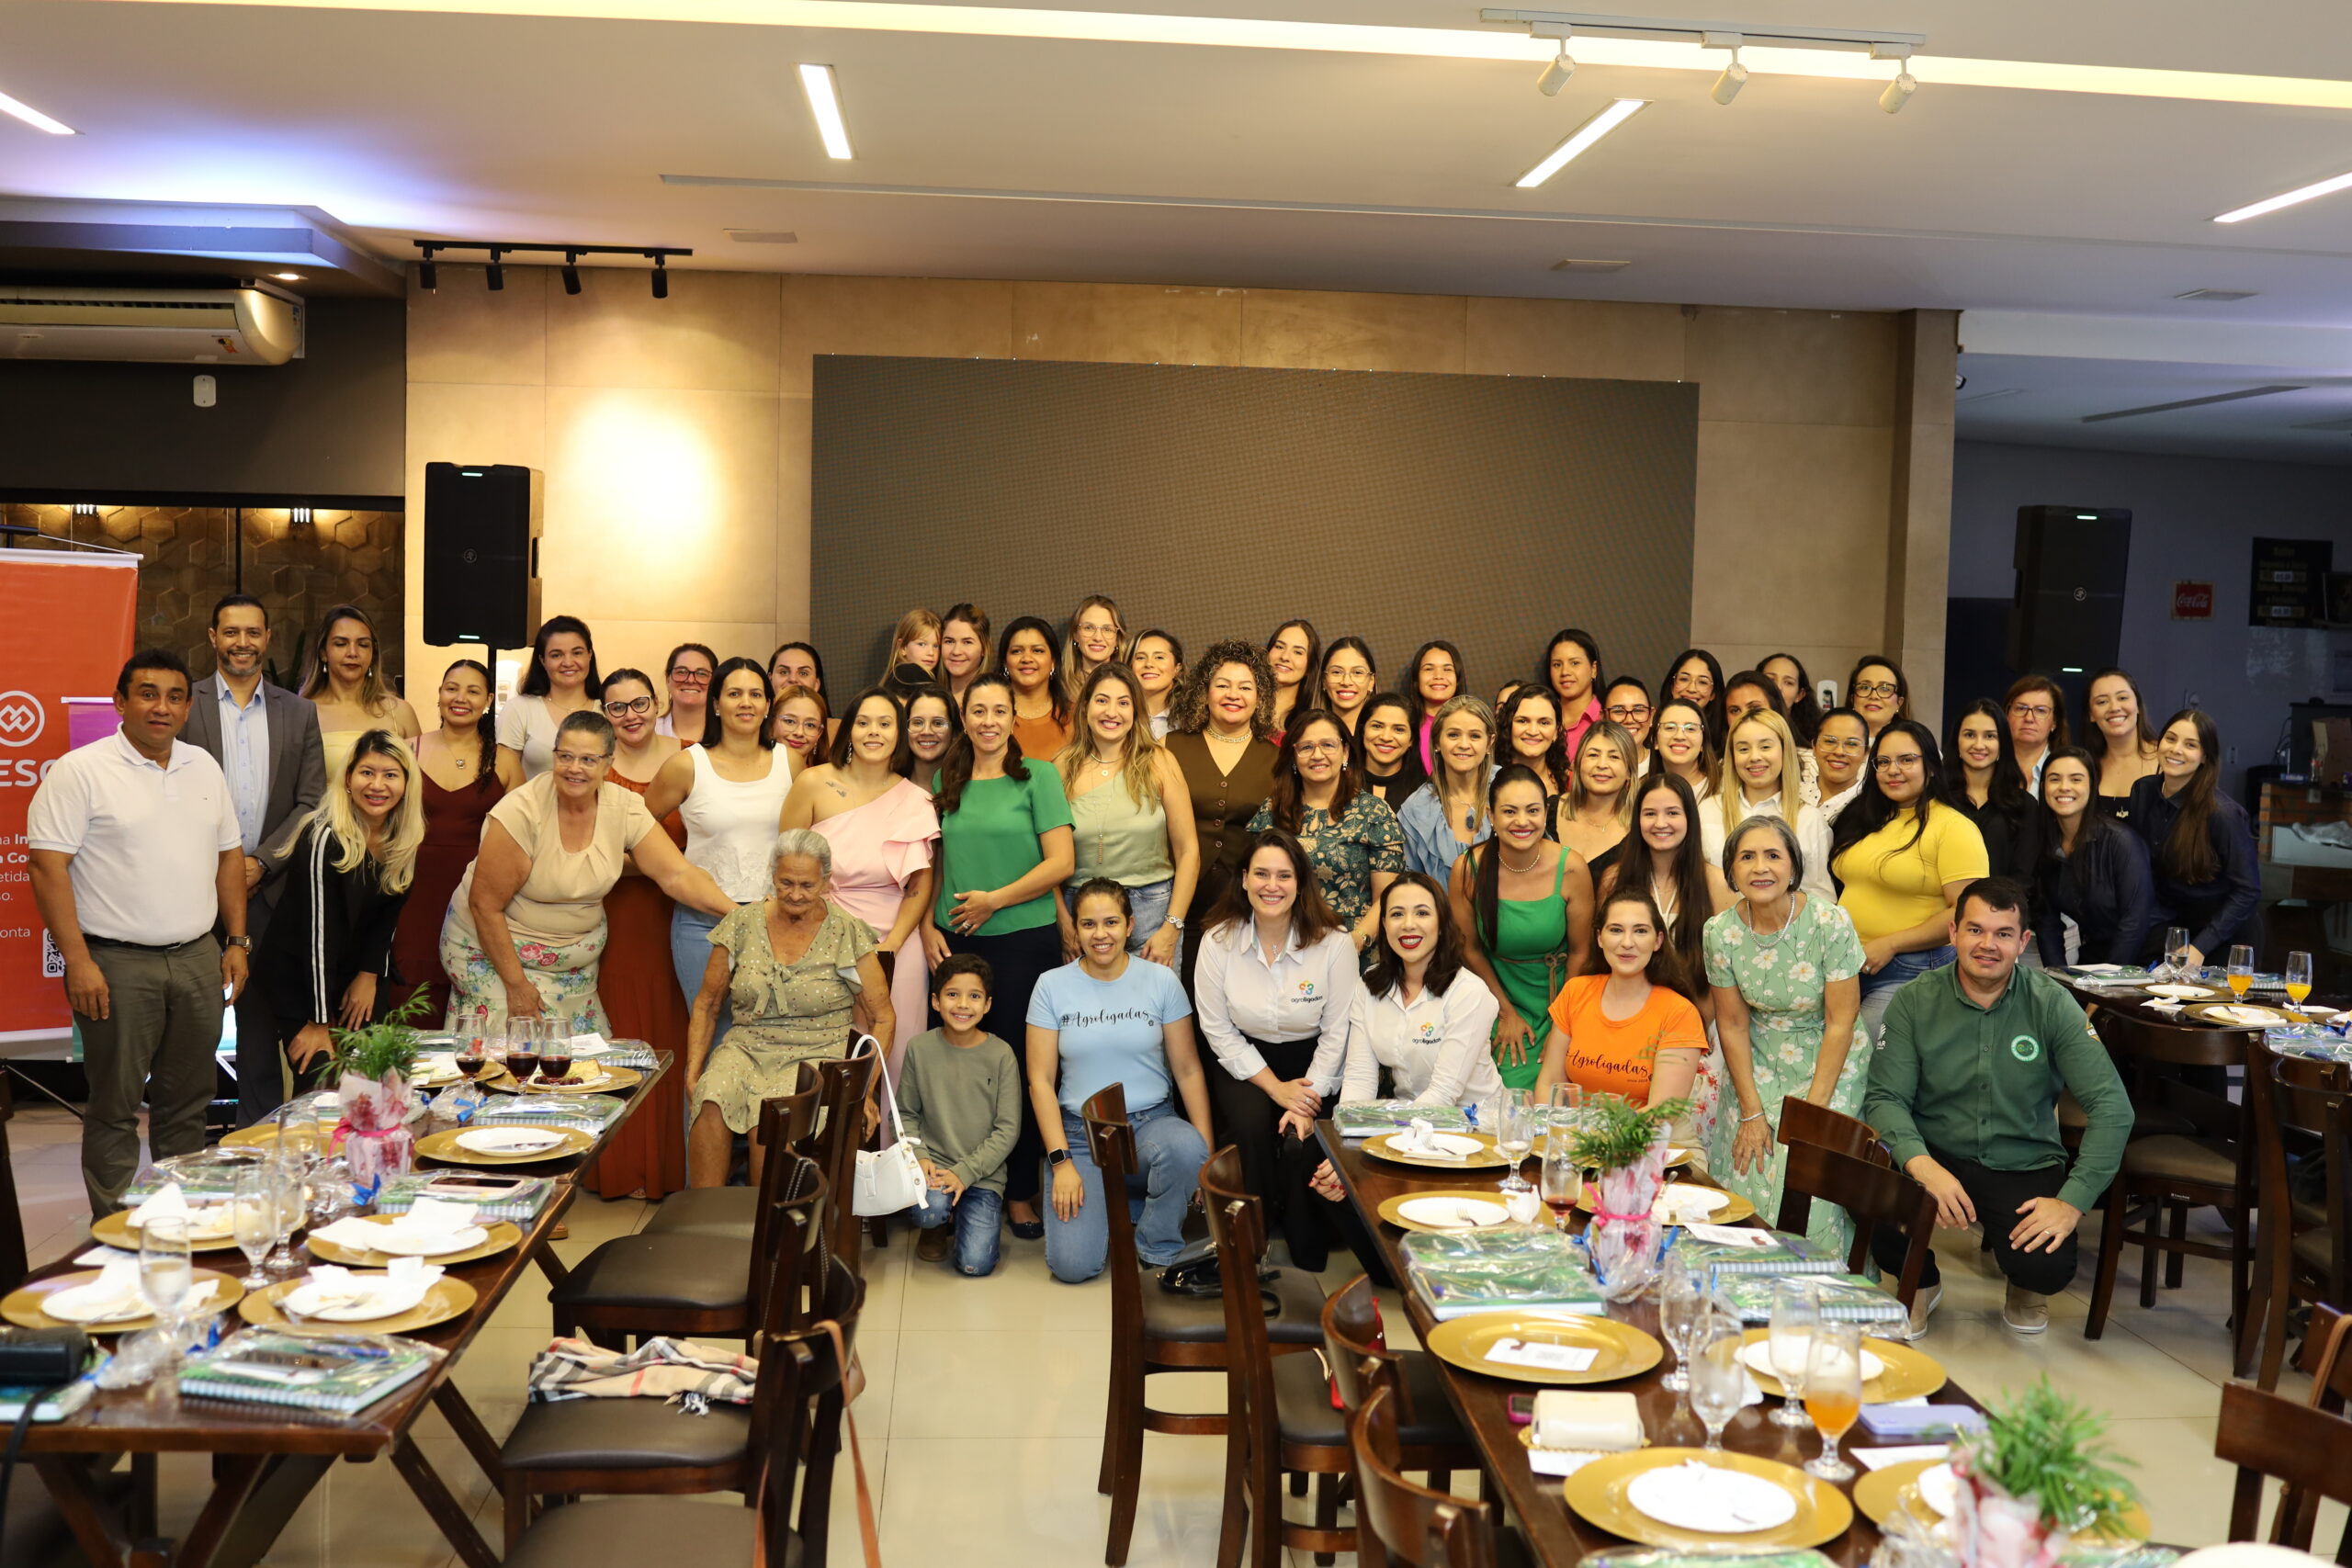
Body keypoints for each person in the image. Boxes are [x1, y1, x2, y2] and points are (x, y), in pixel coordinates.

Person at [28, 650, 249, 1213]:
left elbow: (229, 857)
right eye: (148, 694)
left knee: (187, 1104)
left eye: (175, 696)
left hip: (198, 958)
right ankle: (116, 1231)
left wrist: (237, 940)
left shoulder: (203, 767)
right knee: (115, 1106)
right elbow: (47, 867)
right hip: (116, 965)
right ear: (120, 702)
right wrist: (77, 961)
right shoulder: (81, 771)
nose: (162, 707)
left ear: (188, 706)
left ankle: (182, 1221)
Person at [1865, 877, 2132, 1337]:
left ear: (2023, 941)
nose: (1987, 945)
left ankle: (2025, 1286)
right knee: (1866, 1185)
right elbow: (1885, 1098)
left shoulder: (2052, 1003)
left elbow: (2112, 1108)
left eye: (2003, 934)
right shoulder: (1914, 1000)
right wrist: (1922, 1164)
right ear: (1953, 933)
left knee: (2046, 1269)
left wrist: (2072, 1203)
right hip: (1936, 1150)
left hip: (2020, 1158)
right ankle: (1919, 1283)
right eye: (1975, 930)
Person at [442, 711, 732, 1032]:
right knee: (517, 1049)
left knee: (582, 1060)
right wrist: (516, 986)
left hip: (572, 963)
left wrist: (739, 915)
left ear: (608, 764)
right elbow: (484, 905)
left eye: (588, 759)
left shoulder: (625, 807)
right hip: (493, 952)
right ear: (553, 756)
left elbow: (678, 875)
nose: (575, 768)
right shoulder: (520, 812)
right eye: (565, 756)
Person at [923, 672, 1075, 1234]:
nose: (988, 721)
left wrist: (996, 901)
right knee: (959, 1068)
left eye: (999, 711)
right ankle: (954, 1184)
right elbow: (936, 865)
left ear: (1015, 718)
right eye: (977, 711)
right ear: (965, 719)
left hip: (1022, 940)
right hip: (957, 941)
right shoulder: (948, 777)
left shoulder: (1039, 776)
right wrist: (925, 925)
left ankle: (1018, 1190)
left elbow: (1060, 862)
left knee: (1020, 1067)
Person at [186, 593, 329, 1126]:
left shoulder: (299, 711)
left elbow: (311, 801)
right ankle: (218, 1134)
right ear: (212, 637)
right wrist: (224, 868)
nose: (241, 643)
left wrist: (263, 863)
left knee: (264, 1017)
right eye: (230, 632)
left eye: (252, 633)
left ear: (267, 639)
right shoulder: (187, 703)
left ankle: (274, 1135)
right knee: (202, 1021)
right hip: (198, 890)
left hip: (275, 887)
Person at [684, 829, 893, 1189]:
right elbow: (707, 1003)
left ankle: (767, 1235)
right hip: (746, 1047)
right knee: (711, 1101)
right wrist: (693, 1071)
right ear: (772, 874)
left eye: (807, 885)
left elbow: (883, 1016)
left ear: (826, 881)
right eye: (786, 882)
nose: (796, 894)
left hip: (815, 1052)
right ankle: (707, 1225)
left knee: (771, 1119)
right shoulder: (740, 924)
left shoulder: (846, 932)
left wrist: (866, 1089)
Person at [1030, 879, 1216, 1282]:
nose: (1101, 935)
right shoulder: (1051, 985)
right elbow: (1040, 1081)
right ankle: (1124, 1200)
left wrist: (1207, 1156)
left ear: (1130, 925)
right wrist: (1061, 1162)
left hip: (1151, 1124)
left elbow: (1188, 1070)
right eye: (1089, 924)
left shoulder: (1161, 980)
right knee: (1073, 1267)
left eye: (1111, 922)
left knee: (1185, 1147)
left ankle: (1155, 1241)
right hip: (1082, 1134)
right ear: (1074, 930)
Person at [1192, 832, 1357, 1265]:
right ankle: (1253, 1238)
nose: (1272, 885)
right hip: (1244, 1060)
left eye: (1284, 875)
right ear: (1243, 879)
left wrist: (1302, 1101)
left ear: (1301, 884)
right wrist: (1275, 1089)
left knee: (1302, 1136)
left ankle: (1305, 1243)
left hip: (1314, 1061)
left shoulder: (1334, 943)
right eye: (1261, 873)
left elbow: (1338, 1032)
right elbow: (1217, 1028)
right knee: (1248, 1123)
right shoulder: (1217, 941)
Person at [1706, 816, 1867, 1251]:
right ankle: (1744, 1276)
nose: (1761, 867)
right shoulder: (1719, 933)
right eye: (1747, 857)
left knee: (1808, 1174)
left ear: (1793, 868)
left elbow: (1841, 1023)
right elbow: (1734, 1025)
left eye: (1773, 855)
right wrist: (1752, 1111)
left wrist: (1811, 1117)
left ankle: (1819, 1283)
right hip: (1758, 1053)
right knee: (1749, 1160)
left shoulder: (1829, 923)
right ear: (1732, 872)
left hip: (1830, 1053)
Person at [244, 730, 423, 1107]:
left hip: (356, 972)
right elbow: (317, 934)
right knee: (324, 1087)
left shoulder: (402, 835)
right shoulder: (322, 835)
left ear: (407, 784)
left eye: (391, 775)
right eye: (366, 773)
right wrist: (319, 1022)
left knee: (375, 1084)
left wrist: (370, 975)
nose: (377, 785)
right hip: (302, 980)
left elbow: (387, 917)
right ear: (348, 778)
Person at [785, 688, 940, 1073]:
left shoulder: (916, 800)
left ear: (899, 733)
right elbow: (786, 870)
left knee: (897, 1049)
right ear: (848, 730)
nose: (874, 732)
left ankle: (893, 1134)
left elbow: (920, 886)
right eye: (864, 722)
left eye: (885, 724)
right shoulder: (813, 782)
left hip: (896, 941)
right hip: (820, 935)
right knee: (829, 1051)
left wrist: (891, 946)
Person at [647, 658, 792, 1044]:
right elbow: (636, 833)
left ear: (767, 705)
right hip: (703, 925)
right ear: (715, 703)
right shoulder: (686, 765)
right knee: (711, 1045)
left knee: (768, 1042)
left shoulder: (789, 762)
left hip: (775, 923)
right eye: (734, 693)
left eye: (755, 694)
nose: (745, 703)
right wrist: (670, 869)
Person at [588, 668, 690, 1201]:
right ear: (604, 713)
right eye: (617, 706)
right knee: (622, 1029)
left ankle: (672, 1167)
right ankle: (622, 1167)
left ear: (658, 703)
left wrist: (659, 865)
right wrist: (652, 864)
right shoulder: (593, 769)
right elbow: (591, 852)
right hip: (617, 916)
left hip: (681, 912)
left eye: (640, 703)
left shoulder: (689, 757)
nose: (631, 715)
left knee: (674, 1030)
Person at [1831, 719, 1988, 1048]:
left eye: (1907, 760)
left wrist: (1890, 944)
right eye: (1884, 762)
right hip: (1845, 967)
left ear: (1930, 766)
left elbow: (1968, 913)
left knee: (1864, 1060)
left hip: (1910, 970)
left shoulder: (1953, 827)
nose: (1893, 770)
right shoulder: (1865, 818)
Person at [1306, 872, 1505, 1122]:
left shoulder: (1469, 993)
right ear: (1384, 925)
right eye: (1397, 914)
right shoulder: (1369, 985)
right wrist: (1348, 1138)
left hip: (1474, 1128)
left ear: (1442, 924)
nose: (1408, 924)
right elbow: (1360, 1077)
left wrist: (1385, 1136)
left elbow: (1443, 1094)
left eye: (1422, 913)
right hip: (1408, 1124)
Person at [1453, 765, 1594, 1093]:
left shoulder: (1571, 867)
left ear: (1546, 812)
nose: (1522, 821)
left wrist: (1563, 1023)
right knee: (1506, 1098)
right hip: (1496, 998)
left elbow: (1581, 952)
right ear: (1491, 815)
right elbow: (1468, 949)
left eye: (1532, 810)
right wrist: (1505, 1012)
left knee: (1561, 1096)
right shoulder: (1468, 869)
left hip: (1560, 1000)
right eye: (1509, 811)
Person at [1532, 888, 1706, 1147]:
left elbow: (1661, 1114)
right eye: (1615, 930)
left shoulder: (1679, 1012)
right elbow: (1549, 1084)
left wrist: (1594, 1142)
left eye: (1640, 931)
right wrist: (1561, 1141)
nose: (1627, 942)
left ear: (1658, 941)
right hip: (1575, 1144)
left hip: (1653, 1149)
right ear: (1599, 938)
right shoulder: (1576, 991)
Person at [1052, 664, 1197, 966]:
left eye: (1123, 702)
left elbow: (1188, 852)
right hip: (1082, 914)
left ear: (1136, 710)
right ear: (1086, 706)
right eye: (1102, 700)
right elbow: (1044, 857)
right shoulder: (1061, 767)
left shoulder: (1160, 761)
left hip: (1151, 913)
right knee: (1086, 1011)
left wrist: (1171, 927)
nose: (1112, 712)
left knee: (1155, 1011)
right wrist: (1064, 922)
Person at [395, 660, 515, 1022]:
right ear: (440, 694)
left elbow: (522, 839)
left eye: (473, 690)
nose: (460, 698)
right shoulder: (405, 750)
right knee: (413, 1003)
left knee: (479, 1007)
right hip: (413, 893)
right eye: (452, 688)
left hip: (480, 895)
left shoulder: (506, 759)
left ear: (489, 700)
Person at [900, 954, 1022, 1275]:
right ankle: (936, 1226)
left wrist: (965, 1173)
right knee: (929, 1213)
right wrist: (920, 1155)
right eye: (952, 994)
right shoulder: (919, 1048)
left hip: (983, 1174)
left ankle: (966, 1214)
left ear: (988, 1005)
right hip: (935, 1170)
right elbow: (905, 1114)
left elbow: (1007, 1130)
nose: (963, 1004)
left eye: (974, 996)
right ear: (935, 1001)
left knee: (974, 1264)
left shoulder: (1001, 1055)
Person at [1163, 641, 1281, 968]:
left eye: (1245, 687)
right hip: (1176, 899)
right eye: (1222, 685)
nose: (1233, 694)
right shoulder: (1170, 746)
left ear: (1259, 697)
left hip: (1244, 904)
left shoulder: (1276, 758)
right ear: (1205, 691)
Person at [1250, 709, 1403, 947]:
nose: (1317, 755)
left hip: (1353, 945)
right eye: (1306, 747)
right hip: (1283, 943)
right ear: (1293, 756)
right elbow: (1255, 883)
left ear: (1345, 752)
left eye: (1328, 745)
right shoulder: (1272, 811)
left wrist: (1356, 941)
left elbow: (1387, 896)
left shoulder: (1373, 812)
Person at [2129, 708, 2260, 967]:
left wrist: (2201, 947)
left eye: (2190, 745)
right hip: (2172, 929)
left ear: (2204, 758)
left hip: (2225, 935)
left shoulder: (2223, 814)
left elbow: (2248, 890)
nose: (2176, 749)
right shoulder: (2142, 791)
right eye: (2170, 739)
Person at [2038, 748, 2155, 968]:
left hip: (2141, 962)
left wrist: (2106, 986)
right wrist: (2059, 984)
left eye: (2076, 779)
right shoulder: (2045, 843)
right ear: (2043, 787)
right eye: (2055, 779)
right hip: (2093, 960)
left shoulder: (2121, 841)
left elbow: (2135, 922)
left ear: (2092, 786)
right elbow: (2047, 925)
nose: (2064, 787)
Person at [1707, 711, 1834, 903]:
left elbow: (1820, 899)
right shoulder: (1707, 811)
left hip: (1790, 931)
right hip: (1719, 929)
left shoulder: (1808, 819)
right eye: (1743, 749)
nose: (1754, 757)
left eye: (1765, 746)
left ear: (1784, 750)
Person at [301, 604, 422, 776]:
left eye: (363, 645)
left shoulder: (400, 712)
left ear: (373, 653)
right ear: (323, 653)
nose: (353, 653)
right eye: (341, 644)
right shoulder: (303, 712)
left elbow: (417, 786)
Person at [1949, 699, 2047, 908]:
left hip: (2000, 918)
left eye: (1990, 736)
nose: (1979, 744)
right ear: (1957, 741)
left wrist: (1988, 911)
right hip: (1940, 919)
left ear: (2003, 743)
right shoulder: (1937, 799)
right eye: (1969, 735)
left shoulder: (2024, 805)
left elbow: (2024, 878)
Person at [1400, 694, 1497, 880]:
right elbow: (1411, 887)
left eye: (1475, 736)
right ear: (1437, 742)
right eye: (1453, 735)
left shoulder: (1513, 787)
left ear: (1489, 743)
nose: (1463, 745)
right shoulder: (1415, 810)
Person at [496, 615, 601, 782]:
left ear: (589, 655)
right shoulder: (519, 709)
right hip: (530, 807)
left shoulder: (609, 710)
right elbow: (503, 779)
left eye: (577, 653)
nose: (568, 662)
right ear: (542, 660)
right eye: (556, 655)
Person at [1556, 720, 1636, 890]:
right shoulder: (1547, 811)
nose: (1601, 765)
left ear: (1629, 771)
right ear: (1578, 764)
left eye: (1614, 757)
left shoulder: (1639, 829)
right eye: (1593, 755)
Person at [2085, 668, 2161, 821]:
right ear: (2091, 715)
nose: (2114, 708)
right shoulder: (2085, 765)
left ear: (2137, 705)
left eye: (2122, 698)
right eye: (2102, 702)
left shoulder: (2166, 759)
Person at [1354, 692, 1428, 809]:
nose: (1386, 737)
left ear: (1411, 740)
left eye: (1399, 729)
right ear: (1363, 731)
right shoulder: (1338, 785)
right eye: (1377, 726)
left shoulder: (1427, 793)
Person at [1541, 628, 1605, 760]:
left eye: (1575, 663)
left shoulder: (1609, 718)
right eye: (1557, 664)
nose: (1565, 672)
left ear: (1594, 669)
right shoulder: (1539, 719)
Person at [1498, 686, 1566, 799]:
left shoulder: (1571, 782)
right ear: (1509, 726)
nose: (1533, 731)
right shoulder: (1487, 781)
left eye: (1544, 723)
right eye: (1523, 721)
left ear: (1556, 731)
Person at [2004, 675, 2068, 795]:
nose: (2029, 718)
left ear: (2054, 722)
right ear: (2006, 715)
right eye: (2021, 708)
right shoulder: (1988, 766)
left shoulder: (2068, 769)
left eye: (2041, 710)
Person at [1407, 640, 1464, 772]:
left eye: (1447, 669)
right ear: (1417, 678)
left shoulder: (1474, 723)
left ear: (1458, 677)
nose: (1438, 676)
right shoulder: (1405, 725)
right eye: (1429, 669)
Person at [1648, 697, 1716, 804]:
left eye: (1690, 728)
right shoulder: (1640, 789)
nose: (1680, 736)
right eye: (1670, 727)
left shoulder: (1724, 789)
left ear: (1703, 742)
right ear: (1655, 740)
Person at [1060, 595, 1128, 698]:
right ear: (1075, 635)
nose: (1098, 637)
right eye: (1089, 628)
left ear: (1117, 639)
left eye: (1107, 629)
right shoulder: (1058, 688)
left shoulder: (1133, 685)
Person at [1811, 705, 1871, 823]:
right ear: (1814, 746)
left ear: (1865, 754)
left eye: (1852, 744)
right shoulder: (1791, 794)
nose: (1839, 752)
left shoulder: (1871, 807)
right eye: (1830, 741)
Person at [1262, 618, 1320, 737]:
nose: (1285, 657)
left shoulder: (1311, 724)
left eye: (1298, 652)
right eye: (1279, 647)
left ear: (1309, 667)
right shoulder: (1242, 704)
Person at [1315, 637, 1377, 739]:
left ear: (1371, 681)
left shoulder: (1380, 738)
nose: (1346, 682)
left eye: (1357, 672)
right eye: (1336, 672)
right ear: (1324, 680)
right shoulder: (1306, 733)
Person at [1129, 628, 1185, 739]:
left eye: (1159, 657)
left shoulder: (1190, 719)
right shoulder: (1117, 717)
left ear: (1177, 669)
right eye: (1140, 657)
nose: (1149, 664)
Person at [655, 642, 717, 741]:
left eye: (701, 673)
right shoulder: (649, 734)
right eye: (682, 672)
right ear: (668, 680)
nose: (690, 680)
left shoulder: (728, 735)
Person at [1662, 649, 1725, 741]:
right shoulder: (1652, 729)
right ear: (1672, 685)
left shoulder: (1724, 739)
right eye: (1684, 679)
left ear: (1713, 693)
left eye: (1703, 682)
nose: (1691, 689)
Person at [1761, 652, 1824, 744]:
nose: (1778, 687)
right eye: (1770, 679)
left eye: (1788, 683)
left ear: (1799, 695)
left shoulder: (1813, 745)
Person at [1844, 655, 1910, 740]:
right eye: (1864, 687)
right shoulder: (1832, 742)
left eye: (1884, 689)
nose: (1874, 696)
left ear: (1899, 702)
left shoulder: (1913, 747)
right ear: (1852, 698)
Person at [903, 682, 959, 777]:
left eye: (938, 723)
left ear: (954, 731)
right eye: (918, 723)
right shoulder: (890, 786)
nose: (926, 732)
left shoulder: (968, 787)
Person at [769, 683, 829, 769]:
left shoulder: (825, 779)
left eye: (810, 725)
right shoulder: (751, 774)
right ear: (772, 723)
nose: (799, 732)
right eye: (790, 721)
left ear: (819, 733)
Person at [939, 604, 990, 703]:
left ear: (984, 648)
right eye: (949, 641)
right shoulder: (928, 698)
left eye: (967, 642)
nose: (956, 651)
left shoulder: (997, 697)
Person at [888, 608, 944, 683]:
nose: (931, 653)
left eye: (936, 646)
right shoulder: (909, 674)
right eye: (922, 644)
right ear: (902, 647)